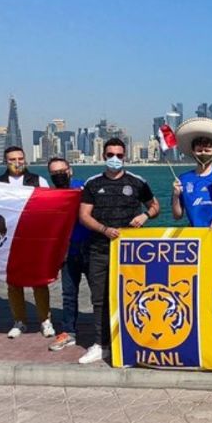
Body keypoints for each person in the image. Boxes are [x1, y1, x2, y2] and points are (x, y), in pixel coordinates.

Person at [78, 138, 160, 364]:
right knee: (100, 299)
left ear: (125, 156)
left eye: (119, 155)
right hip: (99, 250)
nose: (115, 159)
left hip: (131, 253)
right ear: (103, 156)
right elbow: (84, 215)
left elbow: (155, 207)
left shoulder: (137, 182)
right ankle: (100, 344)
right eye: (110, 155)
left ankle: (134, 341)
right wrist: (104, 230)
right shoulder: (93, 183)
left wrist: (144, 216)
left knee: (135, 298)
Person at [0, 146, 53, 339]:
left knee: (39, 282)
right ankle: (19, 321)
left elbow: (48, 207)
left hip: (34, 238)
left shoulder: (39, 180)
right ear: (6, 161)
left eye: (20, 158)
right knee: (14, 282)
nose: (17, 162)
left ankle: (45, 320)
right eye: (12, 159)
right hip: (9, 239)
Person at [46, 157, 91, 352]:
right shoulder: (48, 196)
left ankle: (104, 332)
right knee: (68, 295)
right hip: (67, 253)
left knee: (99, 294)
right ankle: (68, 331)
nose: (59, 175)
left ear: (70, 170)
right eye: (54, 173)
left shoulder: (84, 187)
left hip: (90, 249)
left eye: (62, 171)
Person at [172, 118, 212, 228]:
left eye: (207, 151)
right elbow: (177, 216)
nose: (203, 153)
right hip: (194, 234)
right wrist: (175, 196)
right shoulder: (183, 179)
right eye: (199, 150)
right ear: (193, 152)